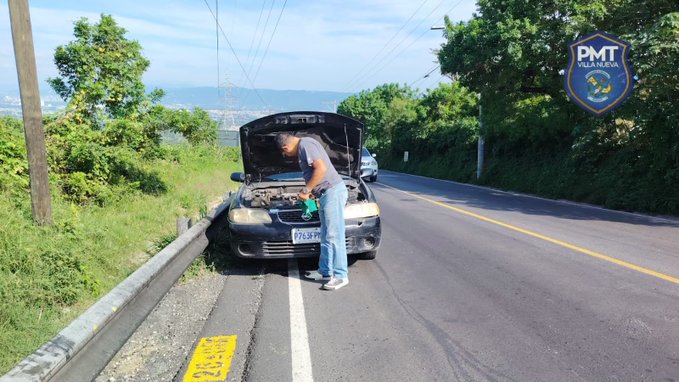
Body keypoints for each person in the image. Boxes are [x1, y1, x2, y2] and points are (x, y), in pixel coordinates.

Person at [276, 132, 349, 291]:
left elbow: (321, 168)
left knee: (334, 235)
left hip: (332, 192)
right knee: (325, 234)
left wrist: (306, 189)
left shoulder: (305, 145)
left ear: (285, 146)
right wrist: (310, 192)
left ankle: (341, 275)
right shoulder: (305, 145)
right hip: (325, 194)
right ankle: (325, 272)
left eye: (284, 153)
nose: (287, 155)